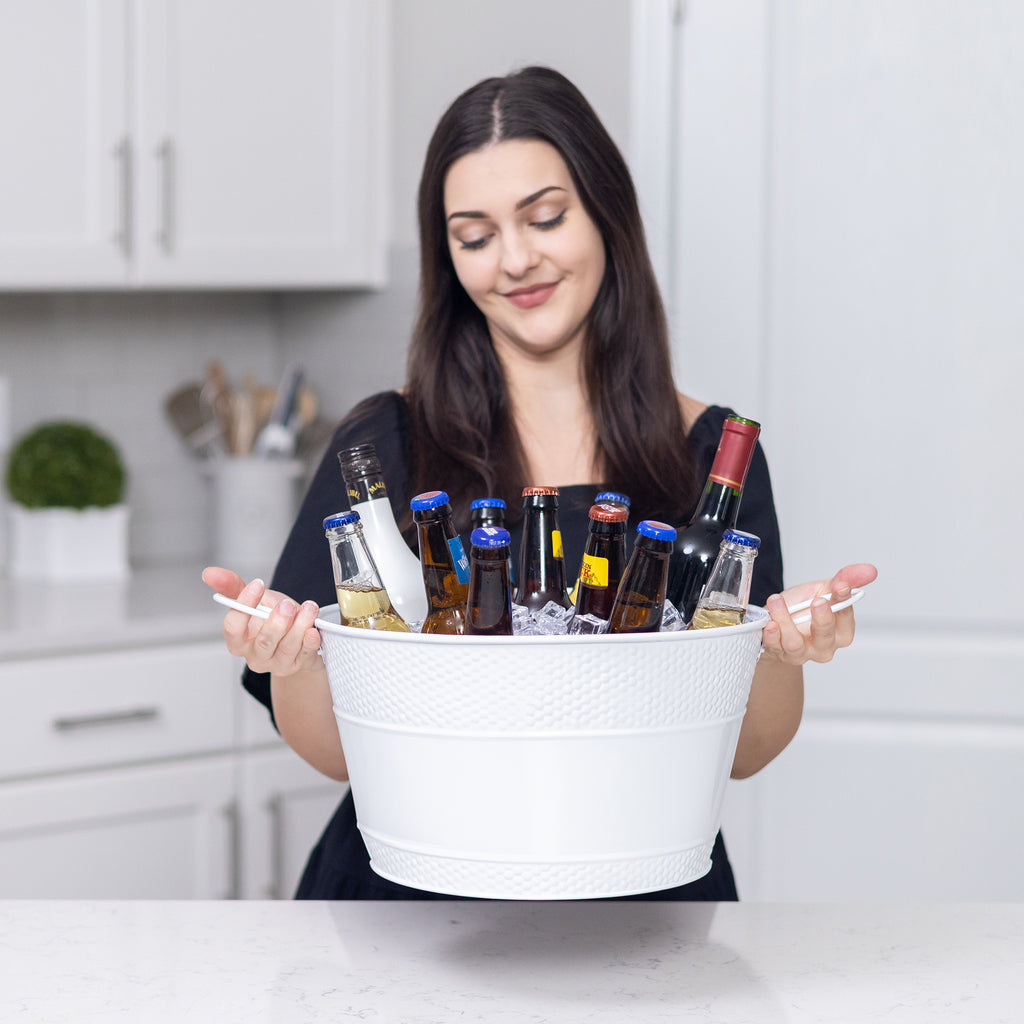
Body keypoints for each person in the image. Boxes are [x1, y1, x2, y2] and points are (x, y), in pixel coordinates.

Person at [203, 66, 877, 900]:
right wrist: (293, 661)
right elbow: (344, 754)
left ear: (606, 214)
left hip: (644, 900)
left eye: (545, 217)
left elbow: (739, 753)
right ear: (447, 258)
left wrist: (784, 649)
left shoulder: (716, 459)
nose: (515, 260)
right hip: (411, 906)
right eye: (474, 236)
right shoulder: (382, 445)